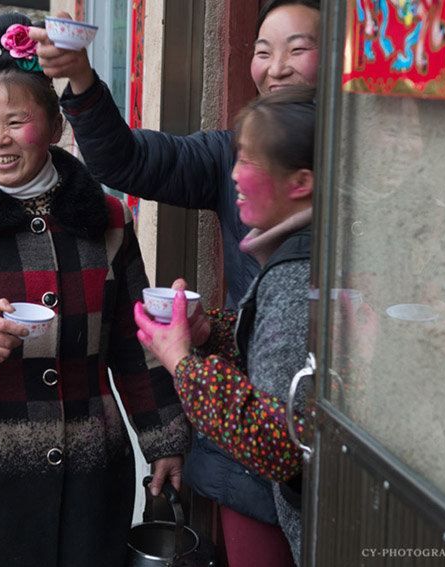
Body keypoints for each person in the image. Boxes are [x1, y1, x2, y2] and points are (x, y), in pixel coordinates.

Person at [0, 12, 190, 567]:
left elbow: (133, 342)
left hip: (88, 470)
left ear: (53, 128)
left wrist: (163, 438)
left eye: (16, 121)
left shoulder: (108, 219)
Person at [30, 3, 320, 566]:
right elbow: (125, 159)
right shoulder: (231, 152)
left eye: (297, 49)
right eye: (262, 51)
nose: (275, 67)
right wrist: (81, 78)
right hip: (245, 459)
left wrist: (185, 361)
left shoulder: (370, 177)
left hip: (309, 462)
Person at [133, 85, 318, 566]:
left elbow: (279, 443)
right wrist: (208, 332)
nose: (232, 175)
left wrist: (181, 362)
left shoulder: (298, 276)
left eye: (248, 162)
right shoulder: (307, 253)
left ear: (301, 182)